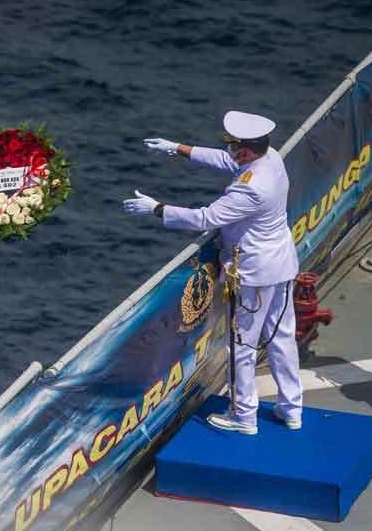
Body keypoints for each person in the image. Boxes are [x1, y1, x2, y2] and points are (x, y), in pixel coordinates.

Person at [122, 111, 301, 435]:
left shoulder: (250, 189)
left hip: (253, 274)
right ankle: (292, 409)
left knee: (242, 346)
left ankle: (244, 417)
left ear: (246, 149)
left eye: (235, 147)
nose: (232, 152)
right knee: (281, 337)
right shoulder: (270, 158)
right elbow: (227, 161)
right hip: (281, 264)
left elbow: (206, 218)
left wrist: (158, 208)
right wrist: (177, 148)